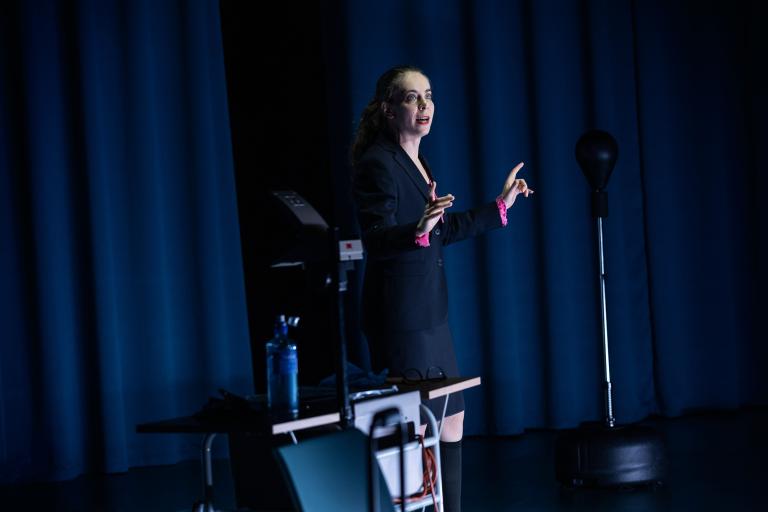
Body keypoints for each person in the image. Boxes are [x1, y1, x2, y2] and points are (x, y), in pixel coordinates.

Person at [350, 65, 533, 512]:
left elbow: (441, 230)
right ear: (388, 109)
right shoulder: (377, 162)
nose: (424, 105)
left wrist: (501, 205)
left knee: (451, 421)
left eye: (428, 95)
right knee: (416, 427)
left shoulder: (417, 161)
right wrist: (417, 229)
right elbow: (376, 237)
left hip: (430, 314)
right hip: (401, 318)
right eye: (412, 97)